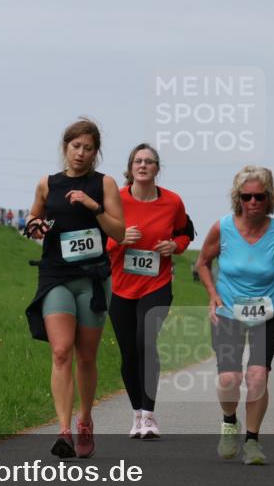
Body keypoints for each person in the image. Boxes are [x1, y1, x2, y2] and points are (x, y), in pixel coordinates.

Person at [23, 119, 125, 459]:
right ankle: (64, 430)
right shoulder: (46, 184)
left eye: (88, 148)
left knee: (85, 356)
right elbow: (33, 219)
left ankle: (85, 420)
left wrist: (92, 206)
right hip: (55, 276)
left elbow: (120, 233)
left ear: (96, 152)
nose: (81, 153)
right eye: (75, 146)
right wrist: (35, 226)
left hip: (92, 279)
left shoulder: (104, 184)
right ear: (65, 147)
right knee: (61, 351)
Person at [195, 166, 274, 465]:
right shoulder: (223, 228)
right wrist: (213, 295)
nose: (253, 202)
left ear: (269, 199)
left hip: (267, 310)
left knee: (257, 376)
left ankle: (253, 441)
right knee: (229, 378)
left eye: (259, 197)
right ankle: (229, 422)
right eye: (246, 197)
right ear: (238, 198)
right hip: (228, 310)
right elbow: (202, 263)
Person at [107, 144, 193, 440]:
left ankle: (149, 414)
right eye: (138, 161)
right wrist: (118, 239)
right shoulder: (114, 200)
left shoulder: (172, 202)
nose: (143, 165)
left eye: (149, 161)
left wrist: (175, 246)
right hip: (120, 286)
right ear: (130, 167)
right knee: (129, 352)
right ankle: (136, 416)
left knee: (146, 340)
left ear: (157, 168)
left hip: (156, 284)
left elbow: (185, 232)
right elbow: (99, 239)